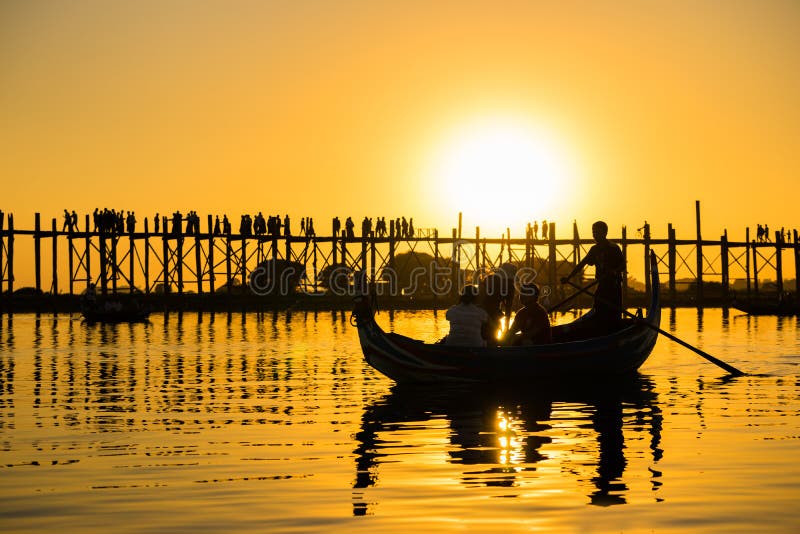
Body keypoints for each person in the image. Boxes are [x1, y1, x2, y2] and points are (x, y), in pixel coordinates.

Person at [561, 220, 625, 335]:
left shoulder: (614, 248)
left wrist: (614, 272)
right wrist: (568, 278)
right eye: (593, 232)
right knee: (598, 309)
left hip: (613, 286)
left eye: (596, 232)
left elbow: (623, 265)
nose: (594, 235)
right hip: (602, 285)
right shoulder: (594, 250)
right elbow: (582, 264)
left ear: (604, 233)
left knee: (614, 312)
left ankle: (614, 332)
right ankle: (600, 332)